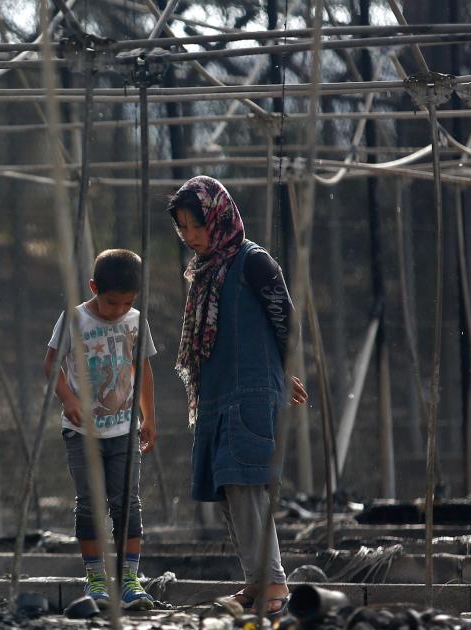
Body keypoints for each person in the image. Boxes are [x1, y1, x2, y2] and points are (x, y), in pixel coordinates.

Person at [167, 175, 308, 617]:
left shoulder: (253, 261)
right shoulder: (206, 270)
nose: (191, 236)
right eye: (183, 228)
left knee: (245, 483)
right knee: (229, 488)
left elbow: (286, 322)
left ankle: (274, 583)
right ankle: (256, 580)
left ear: (219, 217)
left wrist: (282, 373)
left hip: (249, 392)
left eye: (197, 225)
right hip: (217, 394)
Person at [44, 248, 159, 611]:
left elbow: (144, 370)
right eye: (112, 303)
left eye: (128, 303)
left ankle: (129, 579)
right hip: (83, 433)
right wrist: (68, 399)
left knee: (127, 503)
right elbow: (51, 364)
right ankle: (96, 578)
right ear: (94, 288)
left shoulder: (136, 321)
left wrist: (148, 418)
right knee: (91, 504)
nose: (119, 310)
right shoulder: (75, 319)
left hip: (124, 430)